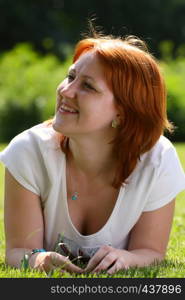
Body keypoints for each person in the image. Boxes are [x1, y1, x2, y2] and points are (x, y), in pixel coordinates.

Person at [0, 31, 185, 276]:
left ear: (122, 113)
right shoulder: (29, 151)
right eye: (70, 76)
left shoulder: (157, 160)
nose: (66, 91)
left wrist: (126, 258)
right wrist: (39, 260)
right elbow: (19, 251)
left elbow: (150, 252)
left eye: (87, 86)